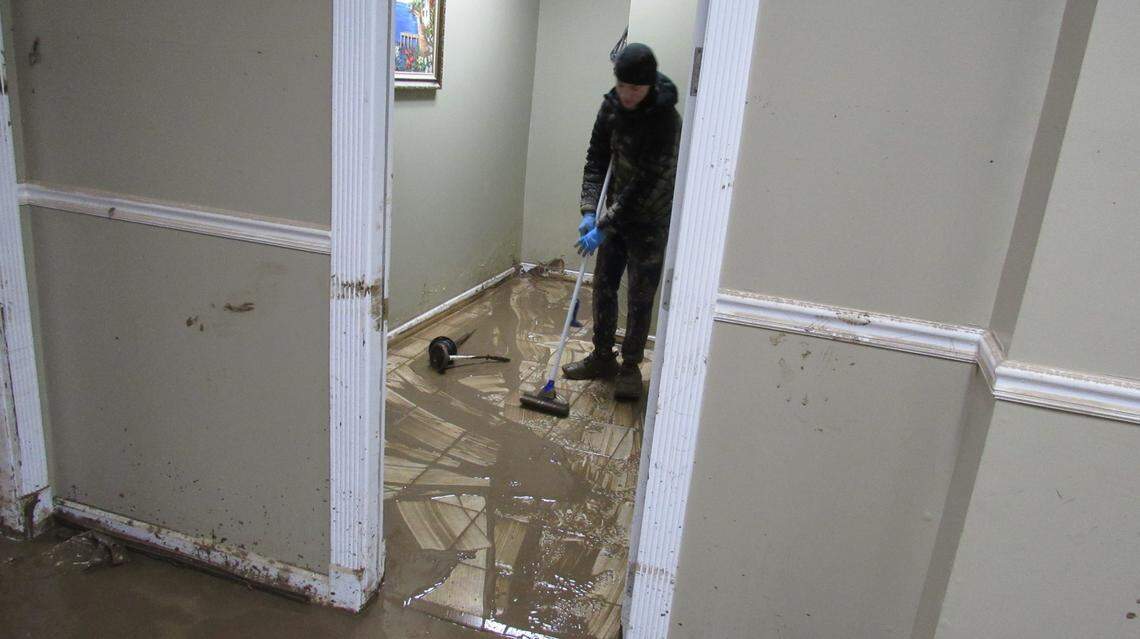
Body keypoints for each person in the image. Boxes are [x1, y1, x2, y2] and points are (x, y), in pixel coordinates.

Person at [563, 43, 681, 401]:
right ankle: (602, 357)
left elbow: (646, 185)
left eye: (636, 89)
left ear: (648, 87)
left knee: (641, 296)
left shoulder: (666, 120)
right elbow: (596, 159)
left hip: (650, 221)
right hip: (613, 214)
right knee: (603, 286)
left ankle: (629, 366)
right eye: (623, 86)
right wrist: (588, 210)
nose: (627, 95)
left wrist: (605, 225)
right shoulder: (611, 107)